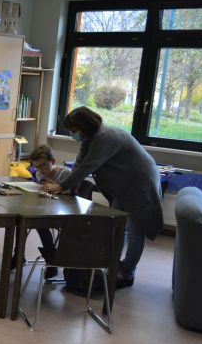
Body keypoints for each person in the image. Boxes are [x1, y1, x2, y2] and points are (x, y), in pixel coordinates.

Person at [41, 107, 163, 287]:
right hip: (123, 184)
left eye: (74, 130)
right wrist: (67, 185)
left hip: (140, 183)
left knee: (136, 230)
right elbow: (79, 163)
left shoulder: (105, 137)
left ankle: (127, 273)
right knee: (117, 226)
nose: (72, 134)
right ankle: (113, 266)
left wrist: (61, 185)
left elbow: (86, 168)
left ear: (84, 126)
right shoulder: (90, 138)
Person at [29, 145, 73, 279]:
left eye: (43, 165)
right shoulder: (37, 174)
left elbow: (70, 194)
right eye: (36, 166)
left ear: (52, 162)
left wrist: (51, 184)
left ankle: (52, 260)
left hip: (66, 213)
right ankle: (51, 260)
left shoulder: (65, 173)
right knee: (37, 223)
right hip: (48, 210)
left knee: (41, 224)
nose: (40, 170)